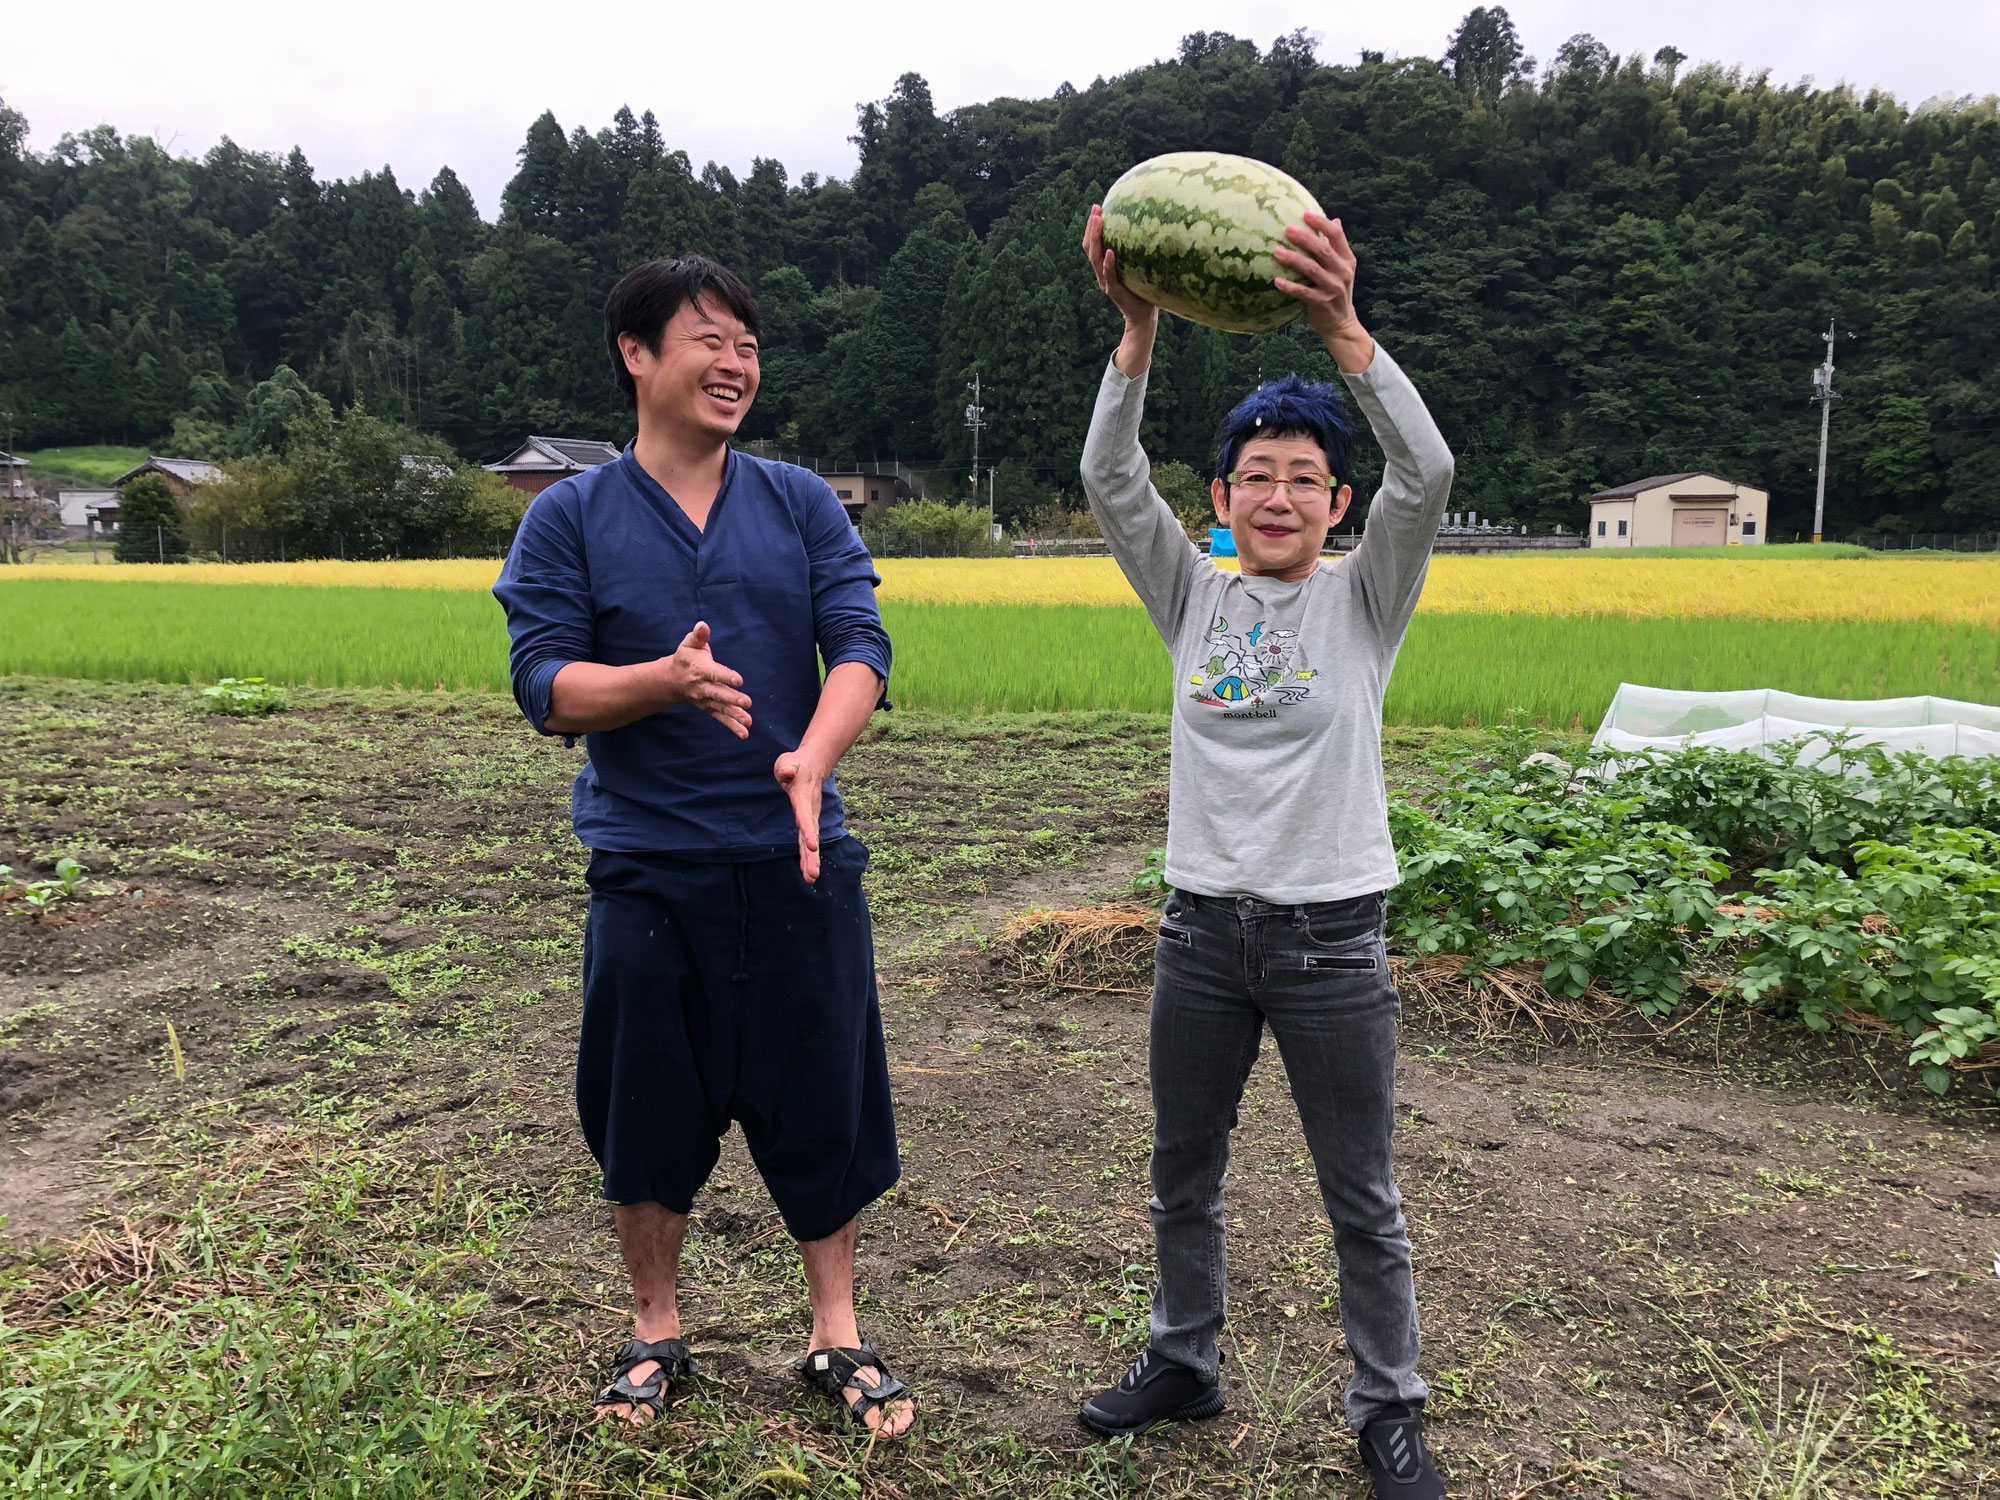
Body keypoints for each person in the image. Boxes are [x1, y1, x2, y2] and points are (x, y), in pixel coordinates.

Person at [493, 255, 915, 1439]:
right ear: (636, 355)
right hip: (647, 865)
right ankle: (655, 1329)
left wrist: (812, 758)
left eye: (747, 345)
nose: (734, 364)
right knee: (645, 1105)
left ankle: (835, 1331)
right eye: (707, 340)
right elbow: (544, 686)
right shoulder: (569, 515)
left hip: (799, 857)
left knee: (822, 1096)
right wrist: (662, 682)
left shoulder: (797, 501)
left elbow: (859, 643)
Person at [1074, 207, 1454, 1499]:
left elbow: (1434, 472)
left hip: (1330, 937)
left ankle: (1387, 1409)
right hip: (1199, 934)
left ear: (1337, 502)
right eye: (1255, 475)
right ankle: (1183, 1361)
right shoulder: (1193, 592)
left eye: (1303, 476)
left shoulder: (1365, 595)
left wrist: (1345, 331)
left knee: (1362, 1193)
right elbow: (1108, 483)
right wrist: (1137, 332)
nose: (1278, 494)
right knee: (1184, 1169)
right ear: (1223, 498)